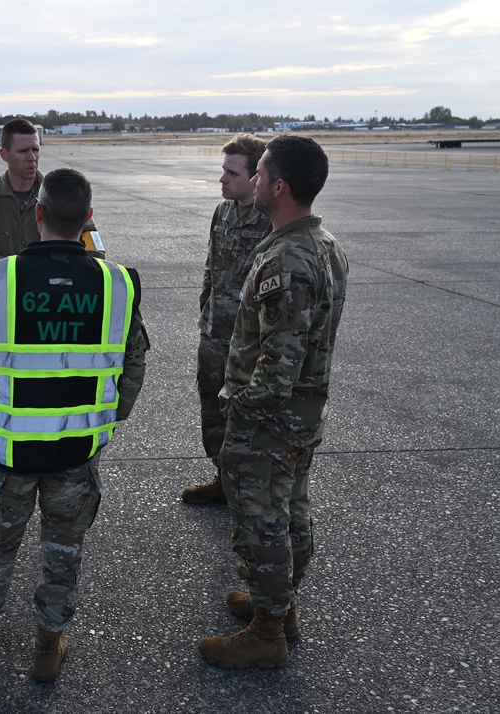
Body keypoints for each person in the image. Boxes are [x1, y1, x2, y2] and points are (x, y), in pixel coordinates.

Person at [0, 168, 148, 682]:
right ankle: (48, 649)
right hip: (76, 452)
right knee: (63, 553)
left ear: (38, 215)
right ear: (89, 218)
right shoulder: (119, 282)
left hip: (10, 453)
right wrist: (104, 418)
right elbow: (134, 366)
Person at [198, 135, 348, 668]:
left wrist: (238, 409)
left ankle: (266, 635)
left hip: (270, 419)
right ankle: (280, 608)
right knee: (291, 511)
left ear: (278, 186)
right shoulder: (325, 244)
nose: (254, 181)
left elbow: (278, 369)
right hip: (303, 415)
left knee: (262, 520)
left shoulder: (287, 261)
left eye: (260, 174)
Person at [181, 134, 271, 505]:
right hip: (214, 335)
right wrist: (206, 307)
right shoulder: (223, 212)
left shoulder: (268, 220)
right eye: (223, 170)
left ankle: (254, 491)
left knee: (249, 420)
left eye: (231, 173)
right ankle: (222, 480)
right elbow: (211, 267)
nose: (222, 179)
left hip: (250, 343)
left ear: (254, 177)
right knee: (212, 412)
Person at [0, 118, 100, 281]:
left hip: (51, 302)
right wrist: (14, 268)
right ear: (4, 154)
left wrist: (56, 271)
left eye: (35, 149)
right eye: (23, 151)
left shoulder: (60, 194)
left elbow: (95, 253)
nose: (32, 157)